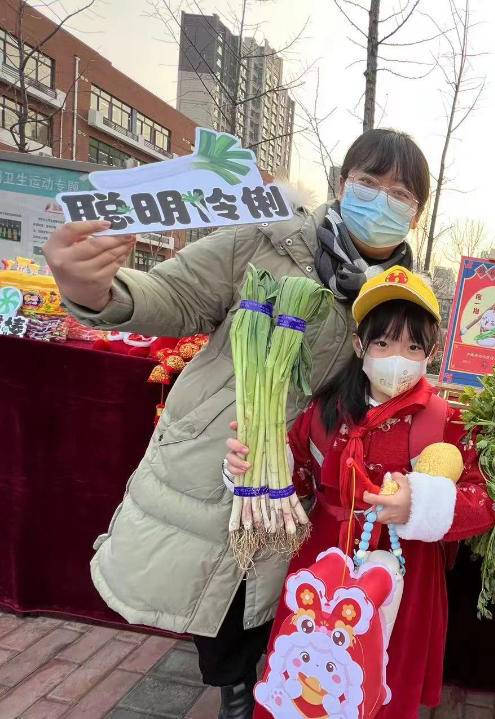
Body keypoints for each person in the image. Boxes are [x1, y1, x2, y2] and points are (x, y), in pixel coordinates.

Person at [42, 128, 432, 718]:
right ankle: (235, 692)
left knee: (283, 608)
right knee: (222, 605)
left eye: (400, 193)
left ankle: (259, 691)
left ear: (417, 213)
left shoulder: (404, 298)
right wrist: (94, 288)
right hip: (217, 460)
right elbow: (174, 296)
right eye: (368, 183)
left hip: (308, 485)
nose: (381, 201)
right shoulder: (265, 242)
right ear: (341, 184)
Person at [225, 266, 495, 719]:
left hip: (402, 579)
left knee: (380, 685)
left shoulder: (446, 421)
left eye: (413, 346)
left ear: (430, 353)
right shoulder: (325, 410)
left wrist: (422, 505)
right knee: (306, 683)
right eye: (384, 343)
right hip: (323, 563)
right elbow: (299, 480)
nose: (398, 357)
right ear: (360, 346)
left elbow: (484, 501)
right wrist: (252, 467)